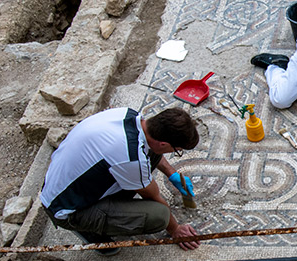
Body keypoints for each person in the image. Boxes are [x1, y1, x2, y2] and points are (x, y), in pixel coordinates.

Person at [40, 107, 202, 252]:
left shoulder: (129, 115)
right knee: (160, 216)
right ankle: (88, 230)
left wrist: (171, 173)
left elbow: (150, 150)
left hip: (61, 184)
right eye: (177, 150)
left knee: (149, 153)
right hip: (67, 209)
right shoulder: (130, 158)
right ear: (163, 143)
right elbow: (153, 196)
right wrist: (175, 229)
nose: (174, 153)